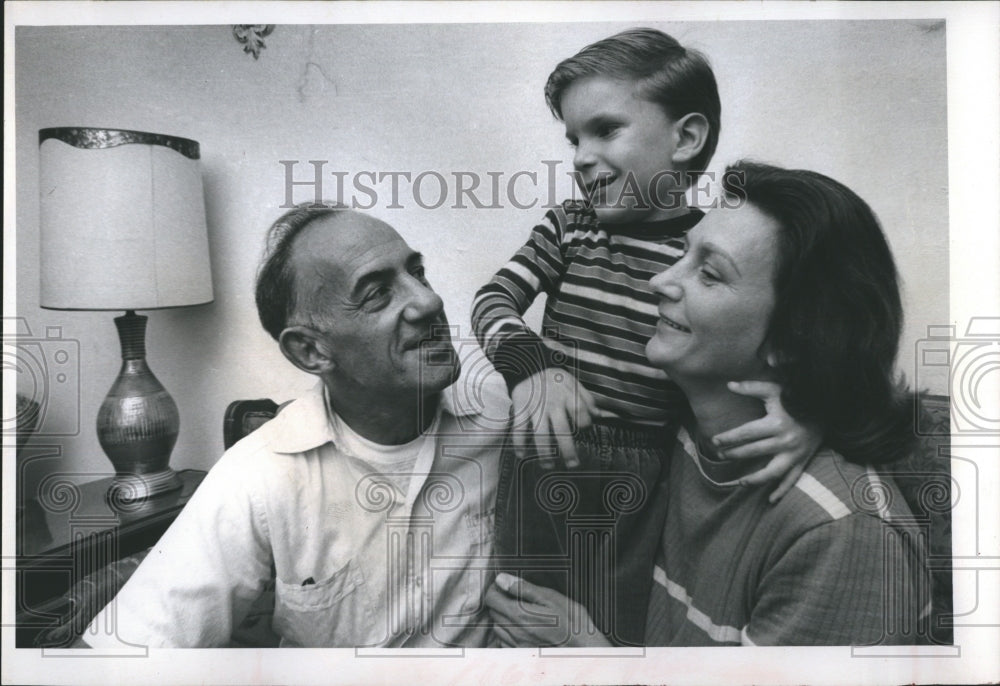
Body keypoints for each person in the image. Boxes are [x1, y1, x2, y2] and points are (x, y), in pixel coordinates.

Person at [485, 161, 932, 646]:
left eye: (710, 274)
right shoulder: (675, 427)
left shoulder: (844, 538)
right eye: (681, 253)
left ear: (795, 335)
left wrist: (585, 653)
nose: (660, 282)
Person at [472, 28, 818, 645]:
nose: (580, 155)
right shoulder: (570, 227)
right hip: (545, 451)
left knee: (621, 628)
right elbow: (494, 300)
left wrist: (806, 415)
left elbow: (771, 354)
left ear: (686, 137)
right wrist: (534, 368)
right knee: (518, 618)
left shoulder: (713, 248)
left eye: (605, 130)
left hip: (649, 473)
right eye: (573, 139)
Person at [78, 205, 508, 648]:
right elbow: (114, 657)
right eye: (377, 293)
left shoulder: (507, 415)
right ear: (310, 351)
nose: (428, 301)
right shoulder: (261, 472)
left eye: (417, 273)